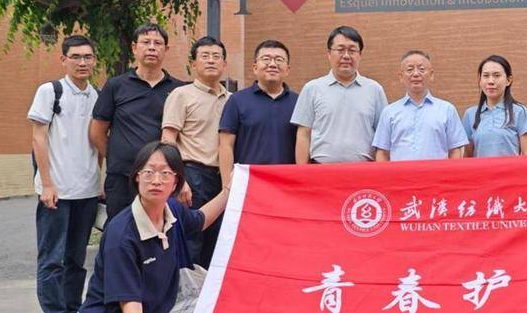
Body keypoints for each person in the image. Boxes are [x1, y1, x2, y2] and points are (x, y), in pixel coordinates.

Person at [51, 142, 229, 313]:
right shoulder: (122, 235)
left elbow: (200, 220)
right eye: (148, 172)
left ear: (176, 182)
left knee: (213, 307)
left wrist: (231, 190)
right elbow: (130, 308)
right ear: (136, 177)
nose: (156, 180)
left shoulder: (172, 211)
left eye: (165, 173)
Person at [28, 35, 101, 313]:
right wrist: (46, 183)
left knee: (75, 260)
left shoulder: (97, 95)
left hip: (86, 191)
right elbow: (38, 138)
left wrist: (99, 183)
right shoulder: (50, 91)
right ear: (64, 60)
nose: (82, 62)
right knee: (52, 260)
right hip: (56, 192)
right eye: (76, 57)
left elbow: (97, 141)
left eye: (87, 57)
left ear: (94, 60)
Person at [90, 24, 184, 219]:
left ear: (166, 49)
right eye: (146, 42)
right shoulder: (116, 85)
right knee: (119, 228)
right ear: (134, 48)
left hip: (161, 179)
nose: (152, 48)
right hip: (122, 178)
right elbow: (97, 132)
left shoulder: (178, 90)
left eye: (158, 43)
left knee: (160, 227)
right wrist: (116, 157)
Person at [161, 36, 230, 267]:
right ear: (193, 63)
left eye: (216, 56)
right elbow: (168, 138)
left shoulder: (232, 100)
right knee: (191, 240)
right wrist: (179, 179)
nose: (211, 61)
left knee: (219, 241)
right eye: (205, 56)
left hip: (224, 178)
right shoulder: (181, 95)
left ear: (224, 64)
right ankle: (187, 289)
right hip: (193, 176)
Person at [291, 26, 387, 164]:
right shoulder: (312, 89)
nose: (346, 56)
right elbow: (304, 134)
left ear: (360, 55)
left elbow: (383, 136)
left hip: (363, 170)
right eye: (340, 50)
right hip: (321, 170)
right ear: (329, 54)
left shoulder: (374, 89)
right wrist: (302, 172)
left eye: (352, 50)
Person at [218, 40, 297, 187]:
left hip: (287, 185)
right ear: (255, 67)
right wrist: (227, 187)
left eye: (279, 60)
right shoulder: (237, 100)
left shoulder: (299, 102)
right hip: (249, 183)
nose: (272, 64)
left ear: (287, 69)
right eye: (266, 59)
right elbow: (225, 145)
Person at [373, 50, 468, 161]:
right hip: (400, 172)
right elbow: (382, 153)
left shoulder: (447, 110)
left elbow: (455, 151)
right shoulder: (389, 112)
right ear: (401, 77)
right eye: (410, 69)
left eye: (421, 69)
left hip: (436, 172)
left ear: (431, 75)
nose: (416, 74)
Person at [462, 55, 527, 157]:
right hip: (481, 168)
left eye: (497, 75)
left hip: (511, 168)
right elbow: (467, 156)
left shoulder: (520, 112)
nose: (491, 81)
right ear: (480, 80)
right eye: (486, 76)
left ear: (508, 80)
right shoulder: (470, 114)